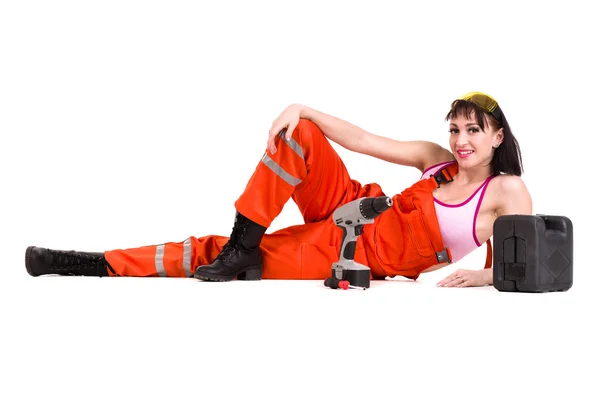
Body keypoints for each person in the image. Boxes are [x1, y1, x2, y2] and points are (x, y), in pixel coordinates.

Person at [25, 92, 532, 288]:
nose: (461, 142)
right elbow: (361, 140)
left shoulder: (507, 192)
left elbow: (526, 256)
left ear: (497, 136)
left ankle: (87, 262)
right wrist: (302, 107)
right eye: (455, 130)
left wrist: (486, 280)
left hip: (351, 253)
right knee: (301, 137)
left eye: (473, 131)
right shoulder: (435, 161)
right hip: (350, 203)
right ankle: (242, 243)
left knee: (211, 255)